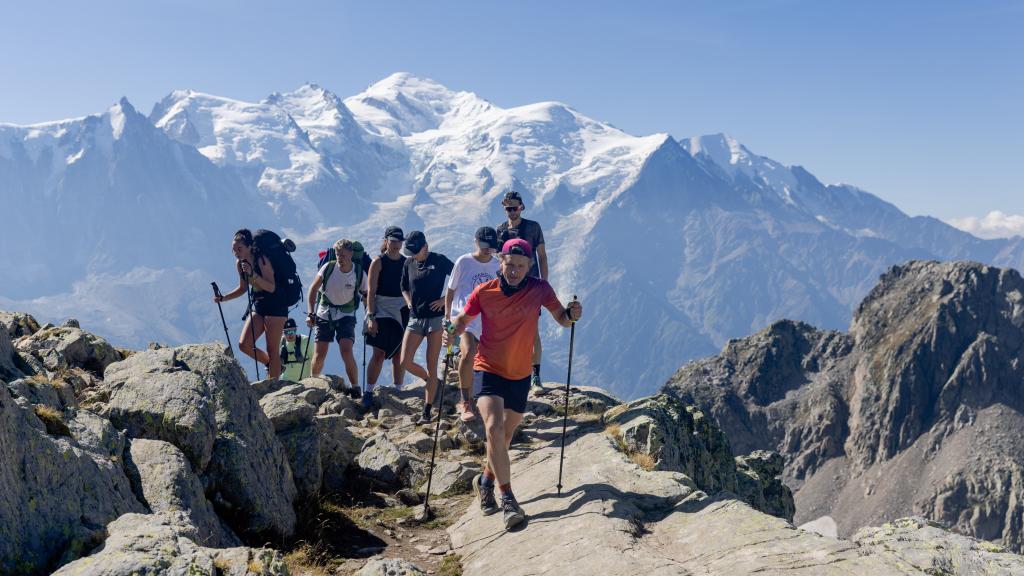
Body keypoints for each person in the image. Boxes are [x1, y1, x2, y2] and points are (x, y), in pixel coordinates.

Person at [446, 238, 582, 530]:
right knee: (494, 427)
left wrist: (572, 315)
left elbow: (562, 319)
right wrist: (452, 329)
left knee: (504, 438)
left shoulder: (540, 289)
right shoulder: (485, 292)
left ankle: (485, 481)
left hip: (519, 375)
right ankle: (508, 498)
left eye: (521, 266)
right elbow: (463, 320)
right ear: (501, 262)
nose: (515, 271)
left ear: (529, 266)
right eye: (510, 265)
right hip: (488, 369)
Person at [213, 229, 288, 380]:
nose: (236, 253)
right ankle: (273, 365)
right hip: (259, 305)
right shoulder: (240, 264)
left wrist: (253, 274)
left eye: (239, 249)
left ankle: (273, 386)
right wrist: (224, 298)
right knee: (244, 344)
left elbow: (271, 287)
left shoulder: (262, 260)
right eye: (233, 250)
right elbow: (243, 288)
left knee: (272, 349)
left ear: (249, 247)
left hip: (276, 306)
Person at [444, 226, 500, 422]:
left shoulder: (497, 266)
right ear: (476, 242)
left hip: (487, 319)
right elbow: (450, 291)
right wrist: (447, 318)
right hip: (464, 317)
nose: (488, 250)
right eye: (484, 245)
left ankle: (490, 399)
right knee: (468, 353)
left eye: (491, 246)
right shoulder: (464, 262)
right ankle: (465, 402)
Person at [496, 190, 549, 396]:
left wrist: (544, 285)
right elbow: (497, 261)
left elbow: (542, 257)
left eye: (515, 208)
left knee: (532, 331)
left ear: (522, 207)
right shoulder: (500, 230)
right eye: (508, 208)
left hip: (531, 286)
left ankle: (535, 376)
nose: (512, 212)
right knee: (507, 331)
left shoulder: (533, 228)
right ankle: (511, 374)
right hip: (507, 287)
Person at [399, 230, 455, 424]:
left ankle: (427, 411)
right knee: (404, 362)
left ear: (425, 247)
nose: (412, 255)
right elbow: (403, 287)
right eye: (410, 252)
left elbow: (459, 281)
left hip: (436, 320)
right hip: (415, 318)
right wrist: (408, 302)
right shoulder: (408, 263)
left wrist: (443, 300)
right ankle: (431, 382)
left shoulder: (439, 260)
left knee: (432, 363)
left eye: (416, 251)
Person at [363, 226, 419, 410]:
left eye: (399, 241)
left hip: (402, 309)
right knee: (378, 353)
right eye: (393, 240)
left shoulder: (407, 262)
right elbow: (371, 291)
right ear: (386, 240)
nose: (396, 244)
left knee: (398, 354)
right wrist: (371, 316)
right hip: (381, 308)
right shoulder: (378, 262)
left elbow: (411, 289)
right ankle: (368, 392)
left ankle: (398, 390)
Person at [305, 238, 366, 397]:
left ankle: (355, 388)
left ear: (351, 254)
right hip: (325, 312)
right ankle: (314, 383)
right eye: (338, 254)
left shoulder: (358, 272)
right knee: (319, 354)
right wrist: (311, 313)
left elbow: (367, 295)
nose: (340, 257)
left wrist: (369, 316)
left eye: (343, 254)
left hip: (346, 315)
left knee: (346, 350)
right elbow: (312, 290)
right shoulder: (328, 267)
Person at [280, 318, 311, 382]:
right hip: (285, 382)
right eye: (286, 332)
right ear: (283, 332)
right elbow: (273, 362)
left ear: (296, 330)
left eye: (292, 331)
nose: (290, 334)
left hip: (304, 381)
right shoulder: (278, 343)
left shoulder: (305, 340)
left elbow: (315, 358)